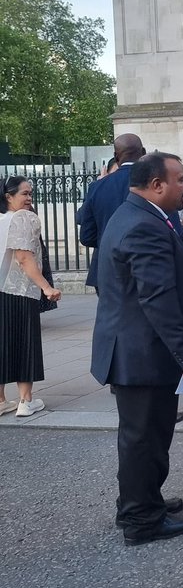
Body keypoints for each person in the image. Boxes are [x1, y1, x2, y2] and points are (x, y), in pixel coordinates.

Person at [90, 153, 183, 546]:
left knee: (145, 436)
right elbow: (156, 298)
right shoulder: (143, 224)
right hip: (142, 353)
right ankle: (142, 521)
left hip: (135, 349)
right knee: (144, 438)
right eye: (181, 180)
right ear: (157, 184)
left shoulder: (135, 215)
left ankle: (141, 501)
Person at [0, 177, 62, 418]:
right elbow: (25, 257)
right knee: (24, 342)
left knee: (3, 343)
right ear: (9, 196)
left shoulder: (2, 219)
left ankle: (2, 400)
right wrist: (47, 287)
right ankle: (25, 400)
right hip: (20, 290)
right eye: (25, 194)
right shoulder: (24, 218)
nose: (29, 198)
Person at [79, 133, 146, 290]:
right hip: (146, 267)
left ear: (116, 156)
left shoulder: (97, 187)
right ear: (143, 152)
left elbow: (87, 236)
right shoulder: (156, 183)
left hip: (107, 269)